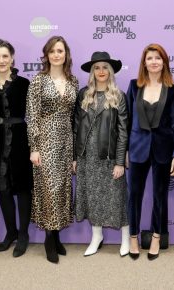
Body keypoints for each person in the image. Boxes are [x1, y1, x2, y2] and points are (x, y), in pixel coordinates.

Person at [126, 43, 174, 261]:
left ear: (164, 62)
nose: (154, 62)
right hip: (138, 148)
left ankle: (157, 237)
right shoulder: (133, 86)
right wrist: (125, 152)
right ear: (144, 62)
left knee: (160, 196)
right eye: (150, 58)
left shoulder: (173, 88)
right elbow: (128, 120)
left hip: (163, 149)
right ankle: (133, 237)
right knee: (134, 196)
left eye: (158, 58)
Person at [26, 35, 78, 264]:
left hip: (66, 140)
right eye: (53, 51)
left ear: (66, 54)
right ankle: (49, 237)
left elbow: (76, 117)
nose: (57, 54)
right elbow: (32, 116)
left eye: (61, 51)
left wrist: (75, 152)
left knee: (63, 189)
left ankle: (57, 237)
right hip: (45, 140)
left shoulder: (73, 81)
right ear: (46, 55)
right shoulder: (38, 80)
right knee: (49, 189)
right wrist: (34, 147)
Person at [73, 51, 129, 257]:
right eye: (97, 67)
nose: (101, 71)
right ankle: (96, 236)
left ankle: (126, 237)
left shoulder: (118, 95)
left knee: (117, 198)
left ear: (111, 70)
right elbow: (76, 127)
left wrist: (120, 161)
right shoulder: (83, 94)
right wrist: (75, 156)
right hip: (87, 157)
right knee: (92, 197)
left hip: (110, 157)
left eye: (105, 67)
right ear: (92, 72)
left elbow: (124, 131)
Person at [0, 39, 33, 258]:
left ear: (12, 58)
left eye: (5, 56)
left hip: (21, 138)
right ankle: (10, 232)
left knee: (22, 188)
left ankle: (23, 234)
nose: (1, 60)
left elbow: (33, 114)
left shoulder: (24, 83)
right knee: (2, 188)